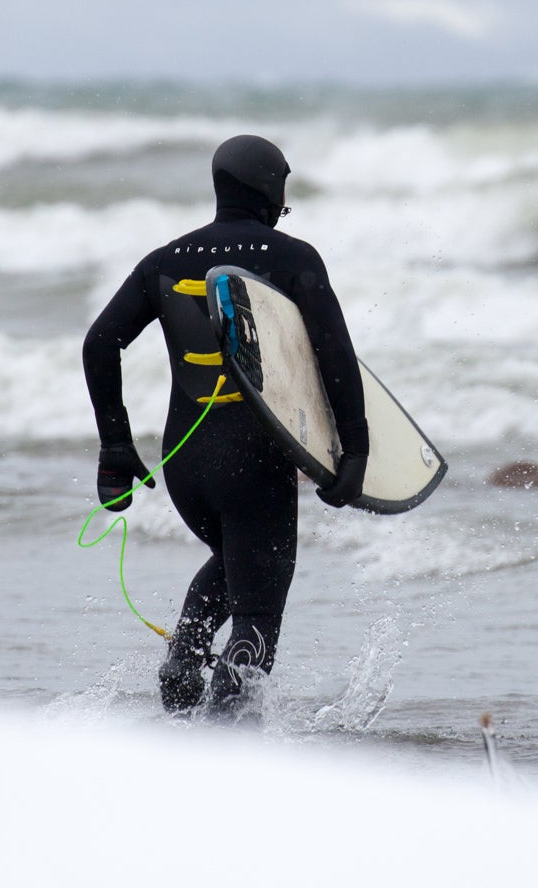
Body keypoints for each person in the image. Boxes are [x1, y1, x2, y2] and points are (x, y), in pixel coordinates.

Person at [82, 135, 369, 714]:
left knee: (237, 562)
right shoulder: (294, 259)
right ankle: (225, 745)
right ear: (271, 189)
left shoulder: (165, 260)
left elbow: (99, 344)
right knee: (258, 612)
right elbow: (335, 355)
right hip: (254, 465)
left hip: (185, 468)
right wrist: (356, 451)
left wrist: (116, 448)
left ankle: (184, 665)